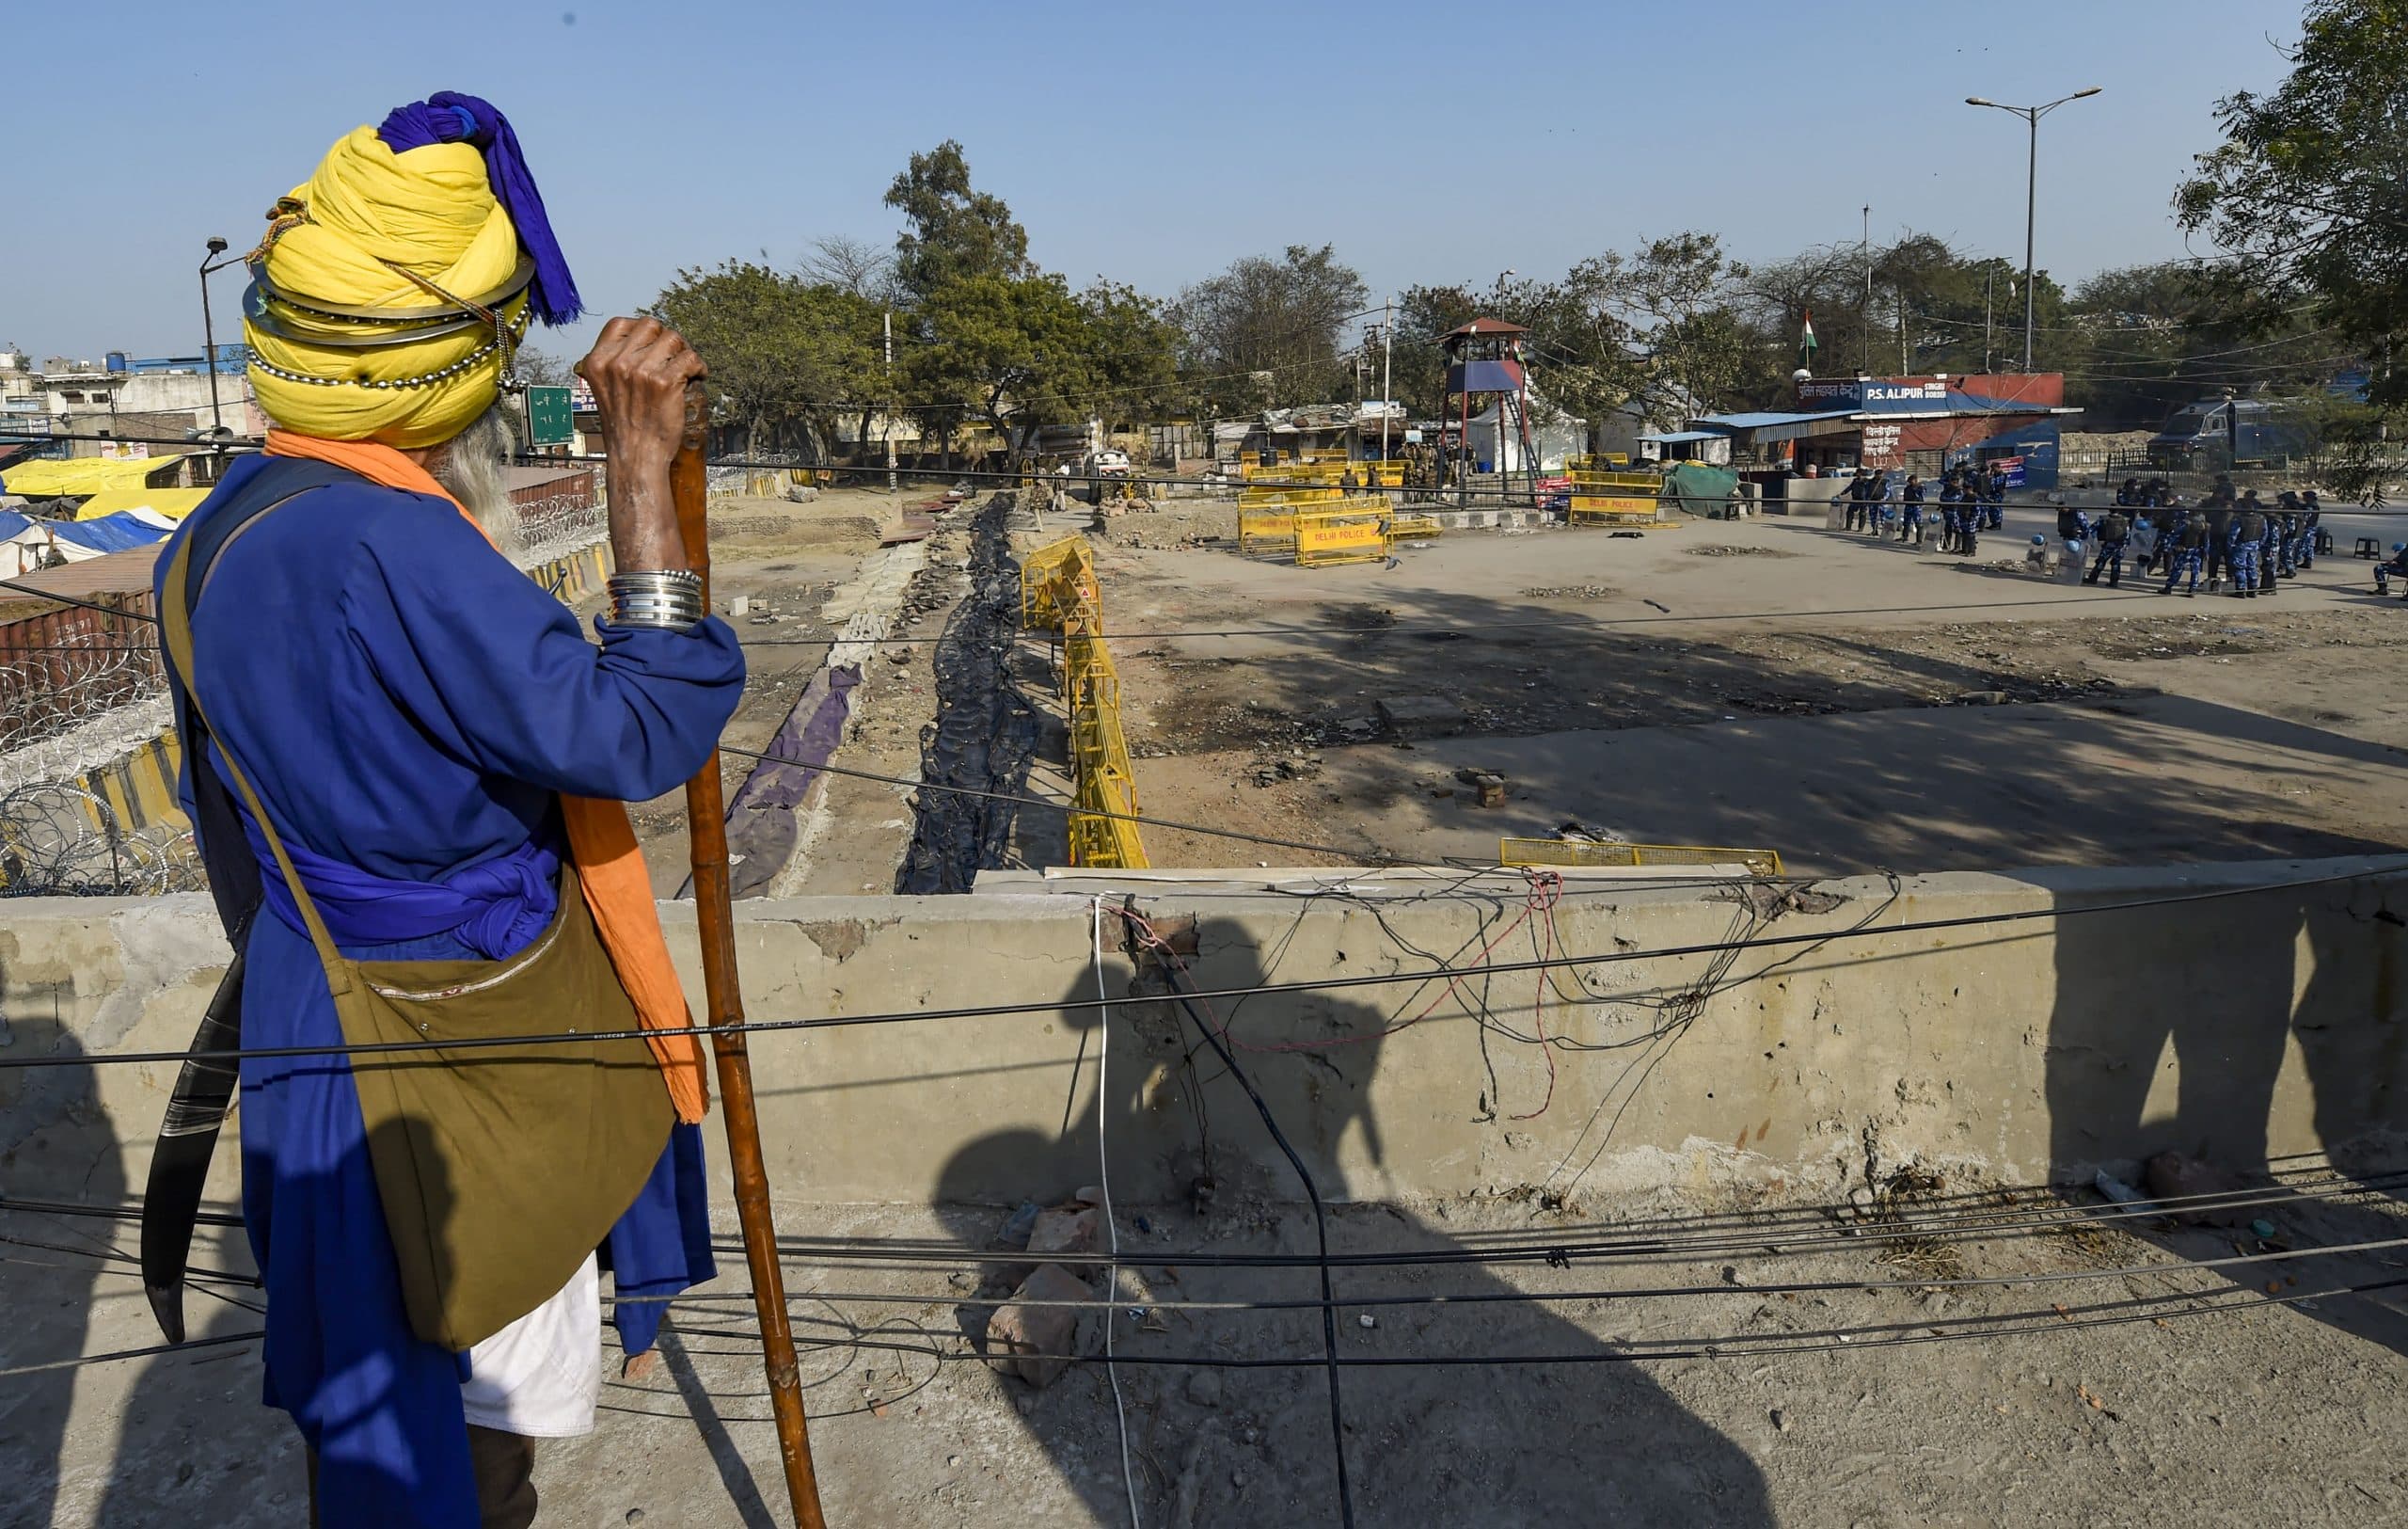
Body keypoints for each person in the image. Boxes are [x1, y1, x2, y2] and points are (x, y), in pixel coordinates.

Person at [153, 93, 742, 1527]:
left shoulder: (212, 533)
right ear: (460, 373)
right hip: (464, 1030)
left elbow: (229, 834)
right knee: (469, 1405)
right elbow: (638, 726)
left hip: (311, 1004)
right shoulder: (399, 545)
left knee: (373, 1397)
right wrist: (639, 474)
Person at [2162, 508, 2210, 596]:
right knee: (2195, 570)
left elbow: (2176, 535)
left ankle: (2168, 587)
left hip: (2184, 549)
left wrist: (2172, 546)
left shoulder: (2185, 524)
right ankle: (2192, 589)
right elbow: (2206, 540)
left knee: (2178, 568)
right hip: (2197, 550)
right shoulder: (2203, 525)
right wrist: (2206, 551)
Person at [2084, 505, 2131, 588]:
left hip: (2108, 544)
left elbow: (2091, 529)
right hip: (2120, 545)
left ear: (2110, 510)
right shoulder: (2125, 520)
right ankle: (2114, 582)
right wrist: (2126, 545)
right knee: (2116, 563)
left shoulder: (2103, 519)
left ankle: (2093, 579)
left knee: (2101, 561)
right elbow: (2127, 534)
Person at [2231, 497, 2268, 597]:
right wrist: (2259, 544)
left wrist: (2231, 545)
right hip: (2254, 544)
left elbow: (2233, 534)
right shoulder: (2261, 518)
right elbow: (2265, 533)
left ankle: (2241, 590)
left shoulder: (2239, 519)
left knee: (2240, 567)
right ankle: (2253, 589)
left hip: (2241, 545)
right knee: (2252, 567)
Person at [1898, 473, 1926, 546]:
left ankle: (1919, 541)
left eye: (1912, 481)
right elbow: (1905, 497)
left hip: (1916, 507)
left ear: (1916, 480)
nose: (1910, 482)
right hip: (1908, 506)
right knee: (1906, 523)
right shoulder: (1907, 488)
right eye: (1909, 481)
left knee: (1918, 524)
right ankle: (1904, 537)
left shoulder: (1920, 488)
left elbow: (1922, 498)